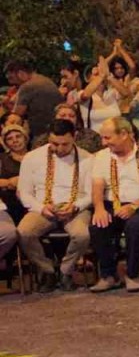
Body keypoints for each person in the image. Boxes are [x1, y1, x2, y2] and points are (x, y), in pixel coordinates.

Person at [89, 116, 139, 292]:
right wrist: (99, 208)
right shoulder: (103, 157)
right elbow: (97, 186)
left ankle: (132, 274)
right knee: (98, 225)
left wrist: (135, 205)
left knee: (135, 225)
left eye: (108, 137)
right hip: (112, 203)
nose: (104, 142)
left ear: (124, 134)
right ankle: (108, 275)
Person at [15, 120, 94, 291]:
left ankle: (66, 270)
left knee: (83, 235)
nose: (59, 148)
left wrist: (76, 207)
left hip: (75, 207)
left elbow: (91, 194)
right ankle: (48, 270)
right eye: (54, 143)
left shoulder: (88, 158)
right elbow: (24, 192)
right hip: (43, 207)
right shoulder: (32, 157)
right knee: (24, 232)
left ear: (75, 137)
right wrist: (41, 208)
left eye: (65, 144)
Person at [6, 59, 63, 140]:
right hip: (55, 129)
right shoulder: (45, 80)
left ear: (20, 74)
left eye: (12, 78)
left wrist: (5, 104)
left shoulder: (27, 86)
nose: (13, 84)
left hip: (41, 134)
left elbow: (17, 114)